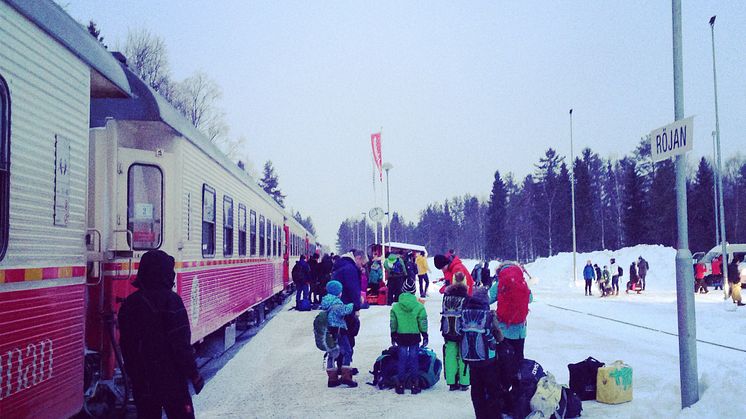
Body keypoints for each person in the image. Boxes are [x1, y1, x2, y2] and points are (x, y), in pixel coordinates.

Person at [118, 250, 203, 419]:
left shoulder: (129, 304)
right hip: (171, 381)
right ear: (164, 273)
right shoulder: (171, 301)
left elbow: (126, 345)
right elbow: (181, 345)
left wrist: (134, 373)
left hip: (143, 382)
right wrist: (194, 374)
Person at [460, 287, 503, 419]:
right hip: (488, 359)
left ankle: (480, 414)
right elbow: (499, 337)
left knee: (476, 389)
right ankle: (493, 415)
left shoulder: (464, 314)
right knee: (491, 389)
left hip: (471, 359)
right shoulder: (489, 315)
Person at [331, 249, 366, 374]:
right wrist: (357, 306)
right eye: (362, 263)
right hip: (347, 308)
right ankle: (344, 368)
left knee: (341, 338)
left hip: (339, 307)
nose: (362, 267)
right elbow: (353, 290)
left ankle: (342, 366)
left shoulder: (342, 265)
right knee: (348, 339)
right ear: (358, 258)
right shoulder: (350, 269)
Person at [390, 285, 428, 394]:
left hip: (401, 335)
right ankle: (414, 384)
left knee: (402, 359)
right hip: (414, 336)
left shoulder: (395, 307)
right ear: (414, 291)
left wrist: (393, 334)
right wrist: (424, 334)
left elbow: (393, 323)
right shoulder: (419, 306)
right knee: (414, 359)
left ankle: (400, 384)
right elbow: (423, 322)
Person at [489, 263, 532, 360]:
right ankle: (518, 374)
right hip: (520, 331)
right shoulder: (522, 282)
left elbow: (488, 298)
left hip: (504, 330)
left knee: (504, 360)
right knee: (518, 358)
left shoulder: (500, 283)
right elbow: (530, 298)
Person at [320, 280, 355, 387]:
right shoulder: (336, 303)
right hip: (339, 331)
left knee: (332, 353)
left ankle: (332, 379)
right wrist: (353, 304)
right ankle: (346, 377)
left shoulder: (326, 301)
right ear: (337, 292)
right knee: (348, 351)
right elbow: (344, 311)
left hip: (329, 331)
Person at [442, 272, 470, 391]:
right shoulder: (466, 297)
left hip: (448, 330)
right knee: (464, 356)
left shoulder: (446, 295)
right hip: (462, 331)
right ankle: (464, 382)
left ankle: (452, 382)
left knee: (450, 356)